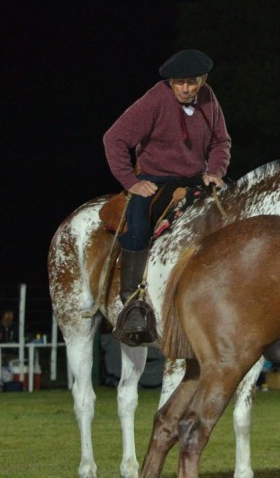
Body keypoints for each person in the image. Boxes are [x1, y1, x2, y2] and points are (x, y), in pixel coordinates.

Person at [103, 49, 231, 346]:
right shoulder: (155, 100)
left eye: (192, 82)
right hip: (155, 177)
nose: (185, 88)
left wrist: (215, 171)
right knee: (137, 228)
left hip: (196, 178)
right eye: (179, 83)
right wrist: (132, 182)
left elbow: (221, 141)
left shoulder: (208, 98)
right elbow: (113, 138)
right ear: (170, 82)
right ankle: (133, 303)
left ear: (203, 80)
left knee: (231, 212)